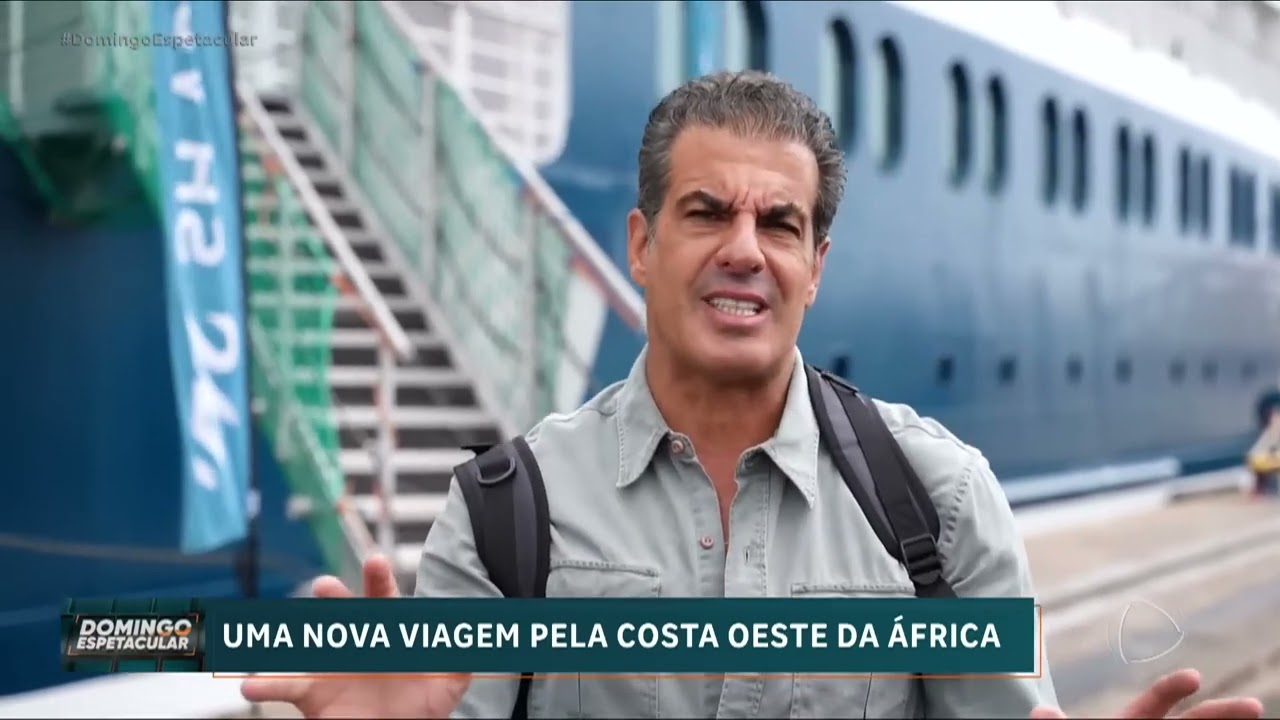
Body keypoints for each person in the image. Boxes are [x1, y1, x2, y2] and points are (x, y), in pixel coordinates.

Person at [243, 70, 1265, 719]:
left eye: (779, 224)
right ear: (641, 245)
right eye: (705, 213)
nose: (744, 250)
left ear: (815, 267)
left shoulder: (938, 500)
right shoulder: (506, 513)